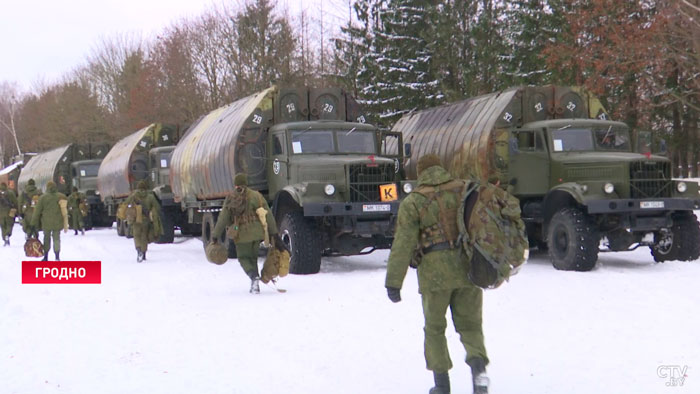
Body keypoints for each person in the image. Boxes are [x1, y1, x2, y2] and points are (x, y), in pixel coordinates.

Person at [385, 154, 489, 394]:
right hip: (468, 268)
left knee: (434, 328)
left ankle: (442, 386)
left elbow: (403, 243)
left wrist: (393, 282)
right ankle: (480, 377)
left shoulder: (414, 202)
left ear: (421, 173)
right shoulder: (465, 190)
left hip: (434, 274)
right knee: (471, 326)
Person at [212, 173, 279, 294]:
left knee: (243, 258)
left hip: (242, 234)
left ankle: (254, 277)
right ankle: (255, 284)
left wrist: (215, 235)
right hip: (257, 234)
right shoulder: (257, 196)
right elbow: (268, 214)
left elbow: (223, 219)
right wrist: (274, 232)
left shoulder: (232, 197)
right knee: (252, 258)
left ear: (235, 184)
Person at [125, 180, 163, 262]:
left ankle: (138, 250)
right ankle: (144, 254)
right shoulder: (150, 196)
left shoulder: (133, 196)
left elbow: (126, 203)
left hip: (136, 219)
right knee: (144, 236)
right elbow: (157, 207)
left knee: (136, 236)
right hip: (146, 220)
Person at [31, 181, 68, 261]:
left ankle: (46, 256)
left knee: (46, 238)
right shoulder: (61, 196)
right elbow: (65, 209)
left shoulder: (43, 198)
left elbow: (37, 211)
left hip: (46, 222)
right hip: (58, 222)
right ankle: (57, 256)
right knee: (56, 239)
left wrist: (33, 223)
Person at [0, 182, 19, 246]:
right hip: (10, 212)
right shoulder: (11, 193)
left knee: (3, 226)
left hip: (1, 214)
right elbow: (15, 202)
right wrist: (17, 210)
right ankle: (8, 234)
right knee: (9, 225)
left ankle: (4, 237)